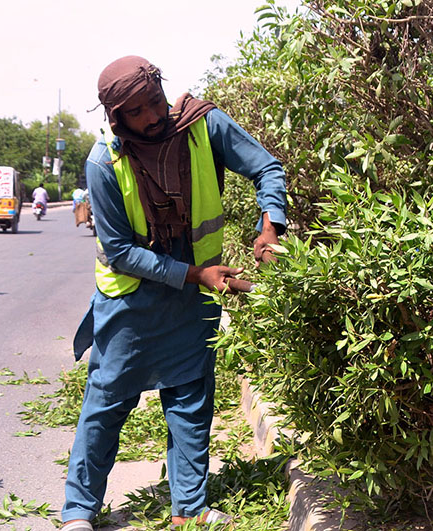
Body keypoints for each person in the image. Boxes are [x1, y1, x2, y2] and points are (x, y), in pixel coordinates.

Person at [60, 56, 287, 531]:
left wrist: (271, 225)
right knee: (106, 404)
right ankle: (78, 512)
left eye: (155, 101)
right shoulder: (104, 161)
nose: (153, 115)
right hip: (130, 304)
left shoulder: (204, 126)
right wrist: (194, 274)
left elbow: (267, 168)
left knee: (190, 399)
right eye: (137, 112)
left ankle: (190, 508)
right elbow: (120, 251)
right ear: (117, 118)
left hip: (191, 300)